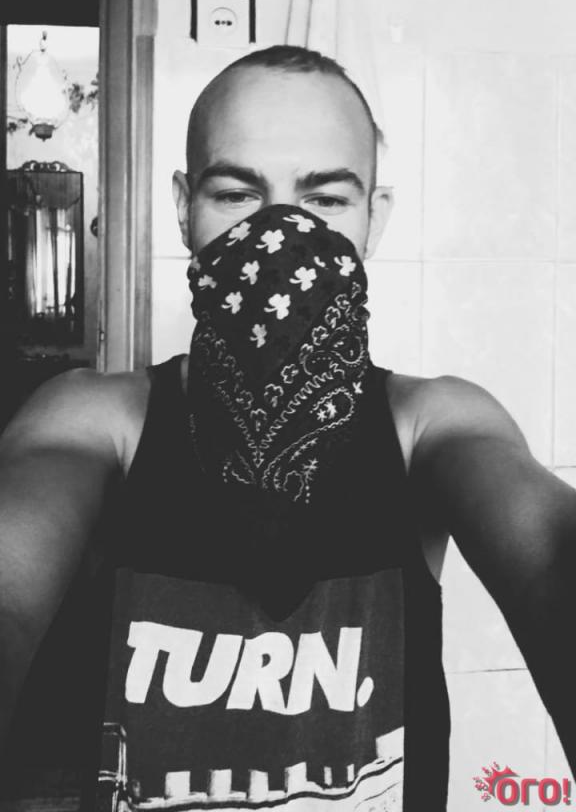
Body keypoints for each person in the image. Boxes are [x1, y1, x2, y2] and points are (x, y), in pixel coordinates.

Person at [1, 45, 576, 812]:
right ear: (184, 207)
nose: (280, 236)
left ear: (374, 218)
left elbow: (552, 563)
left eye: (325, 199)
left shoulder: (433, 426)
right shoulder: (96, 420)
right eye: (238, 194)